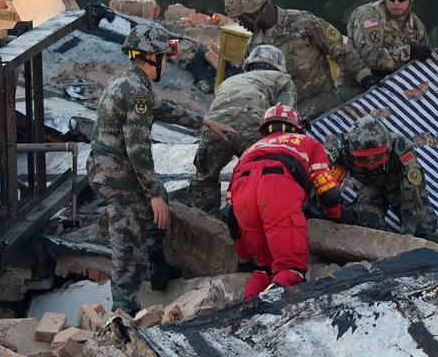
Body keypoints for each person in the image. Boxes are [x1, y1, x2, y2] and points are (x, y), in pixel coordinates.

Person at [88, 22, 236, 313]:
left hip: (109, 169)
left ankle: (157, 267)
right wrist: (153, 193)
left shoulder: (126, 80)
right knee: (128, 253)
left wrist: (203, 121)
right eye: (165, 58)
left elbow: (162, 109)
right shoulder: (137, 91)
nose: (167, 65)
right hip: (118, 178)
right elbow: (138, 149)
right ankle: (124, 317)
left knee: (158, 206)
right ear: (151, 57)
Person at [227, 104, 343, 298]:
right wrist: (338, 214)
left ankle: (246, 307)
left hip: (243, 197)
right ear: (297, 126)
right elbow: (328, 191)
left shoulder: (249, 151)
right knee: (291, 268)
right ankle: (272, 306)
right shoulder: (307, 142)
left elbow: (232, 216)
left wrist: (243, 258)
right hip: (277, 192)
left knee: (264, 268)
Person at [223, 0, 364, 120]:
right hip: (289, 119)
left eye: (241, 18)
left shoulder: (302, 22)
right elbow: (255, 88)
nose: (240, 24)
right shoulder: (253, 47)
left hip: (326, 108)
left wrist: (364, 76)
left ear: (254, 10)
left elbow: (342, 51)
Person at [187, 45, 296, 215]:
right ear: (279, 65)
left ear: (249, 64)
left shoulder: (230, 80)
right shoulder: (282, 79)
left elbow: (218, 109)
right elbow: (282, 116)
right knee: (264, 174)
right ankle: (249, 217)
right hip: (252, 131)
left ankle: (204, 220)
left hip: (215, 129)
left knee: (204, 179)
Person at [328, 116, 438, 242]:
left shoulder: (401, 147)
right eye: (363, 159)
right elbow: (328, 185)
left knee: (424, 224)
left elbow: (411, 190)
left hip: (400, 186)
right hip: (371, 187)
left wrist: (408, 232)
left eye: (377, 157)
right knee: (366, 224)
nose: (371, 164)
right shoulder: (343, 153)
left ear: (388, 149)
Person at [337, 0, 432, 100]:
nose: (396, 3)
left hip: (395, 92)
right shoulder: (369, 16)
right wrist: (408, 52)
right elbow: (370, 56)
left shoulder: (417, 26)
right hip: (357, 92)